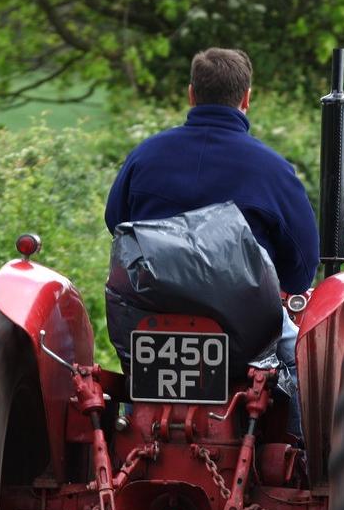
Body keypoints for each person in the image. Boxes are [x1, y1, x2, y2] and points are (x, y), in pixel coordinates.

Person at [104, 47, 318, 434]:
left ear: (191, 94)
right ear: (246, 98)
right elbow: (303, 267)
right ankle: (302, 456)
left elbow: (116, 226)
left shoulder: (145, 156)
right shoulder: (273, 170)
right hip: (248, 333)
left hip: (148, 322)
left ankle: (132, 418)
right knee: (299, 358)